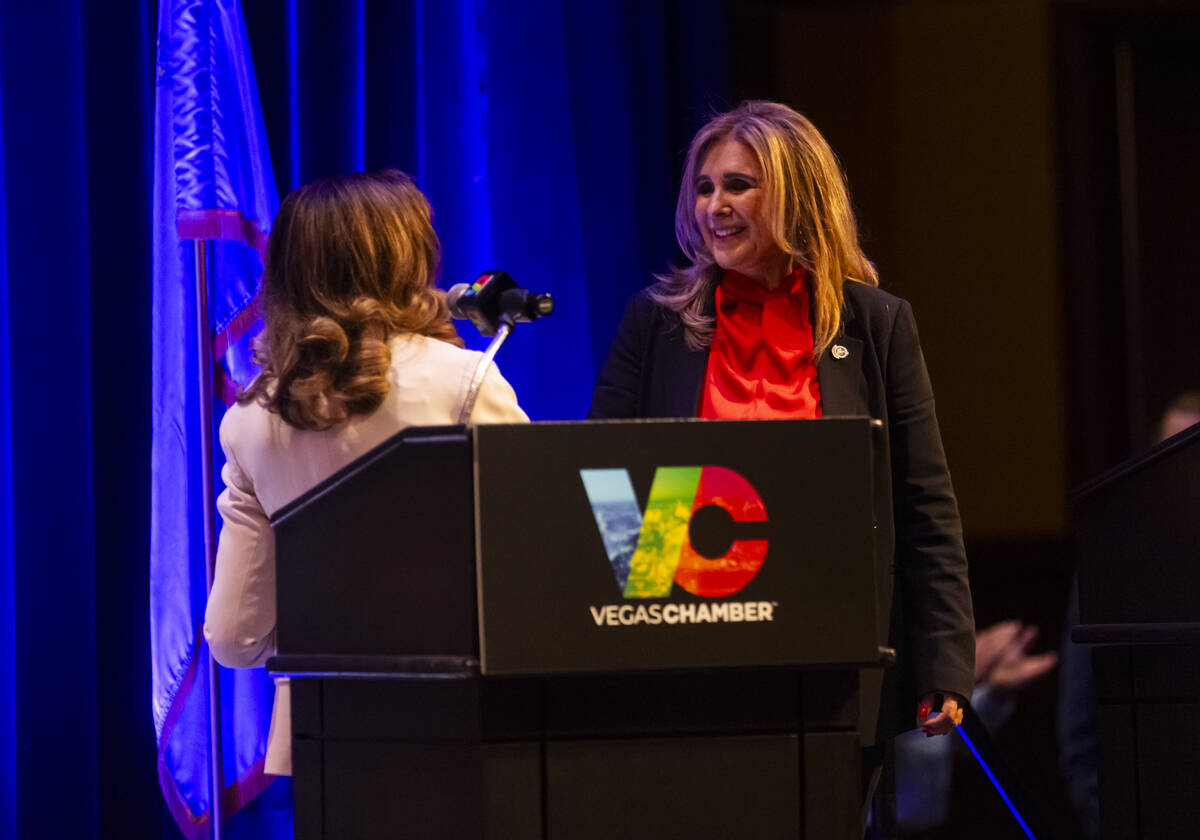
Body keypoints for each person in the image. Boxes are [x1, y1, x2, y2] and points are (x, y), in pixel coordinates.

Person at [588, 101, 976, 820]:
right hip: (690, 649)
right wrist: (638, 607)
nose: (715, 207)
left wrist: (945, 661)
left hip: (835, 649)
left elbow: (924, 500)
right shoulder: (656, 321)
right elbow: (603, 475)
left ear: (796, 193)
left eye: (738, 186)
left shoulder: (874, 323)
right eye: (704, 189)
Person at [204, 169, 529, 777]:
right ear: (404, 257)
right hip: (460, 725)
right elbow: (543, 552)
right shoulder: (463, 382)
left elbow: (232, 635)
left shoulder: (249, 418)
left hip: (321, 739)